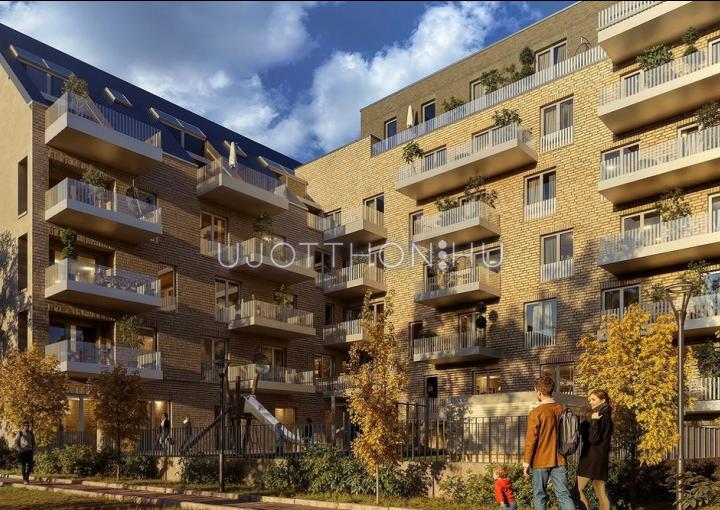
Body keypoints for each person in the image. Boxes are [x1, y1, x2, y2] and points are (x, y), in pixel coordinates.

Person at [523, 376, 575, 510]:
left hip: (540, 461)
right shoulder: (562, 408)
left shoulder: (536, 412)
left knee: (539, 496)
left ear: (539, 392)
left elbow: (531, 440)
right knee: (564, 496)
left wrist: (526, 463)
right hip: (560, 459)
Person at [577, 389, 613, 510]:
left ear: (603, 400)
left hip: (591, 458)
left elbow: (593, 439)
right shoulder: (606, 415)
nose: (590, 402)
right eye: (590, 399)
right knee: (600, 491)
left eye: (593, 399)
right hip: (600, 458)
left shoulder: (600, 416)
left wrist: (594, 421)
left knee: (578, 489)